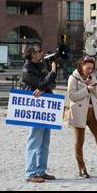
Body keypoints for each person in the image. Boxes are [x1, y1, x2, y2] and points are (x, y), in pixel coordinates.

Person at [21, 45, 57, 183]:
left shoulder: (41, 65)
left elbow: (50, 84)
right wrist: (52, 73)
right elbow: (41, 82)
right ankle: (30, 173)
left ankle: (41, 171)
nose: (41, 53)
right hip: (35, 108)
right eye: (38, 52)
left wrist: (42, 87)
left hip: (46, 106)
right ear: (31, 55)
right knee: (34, 140)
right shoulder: (27, 69)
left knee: (44, 141)